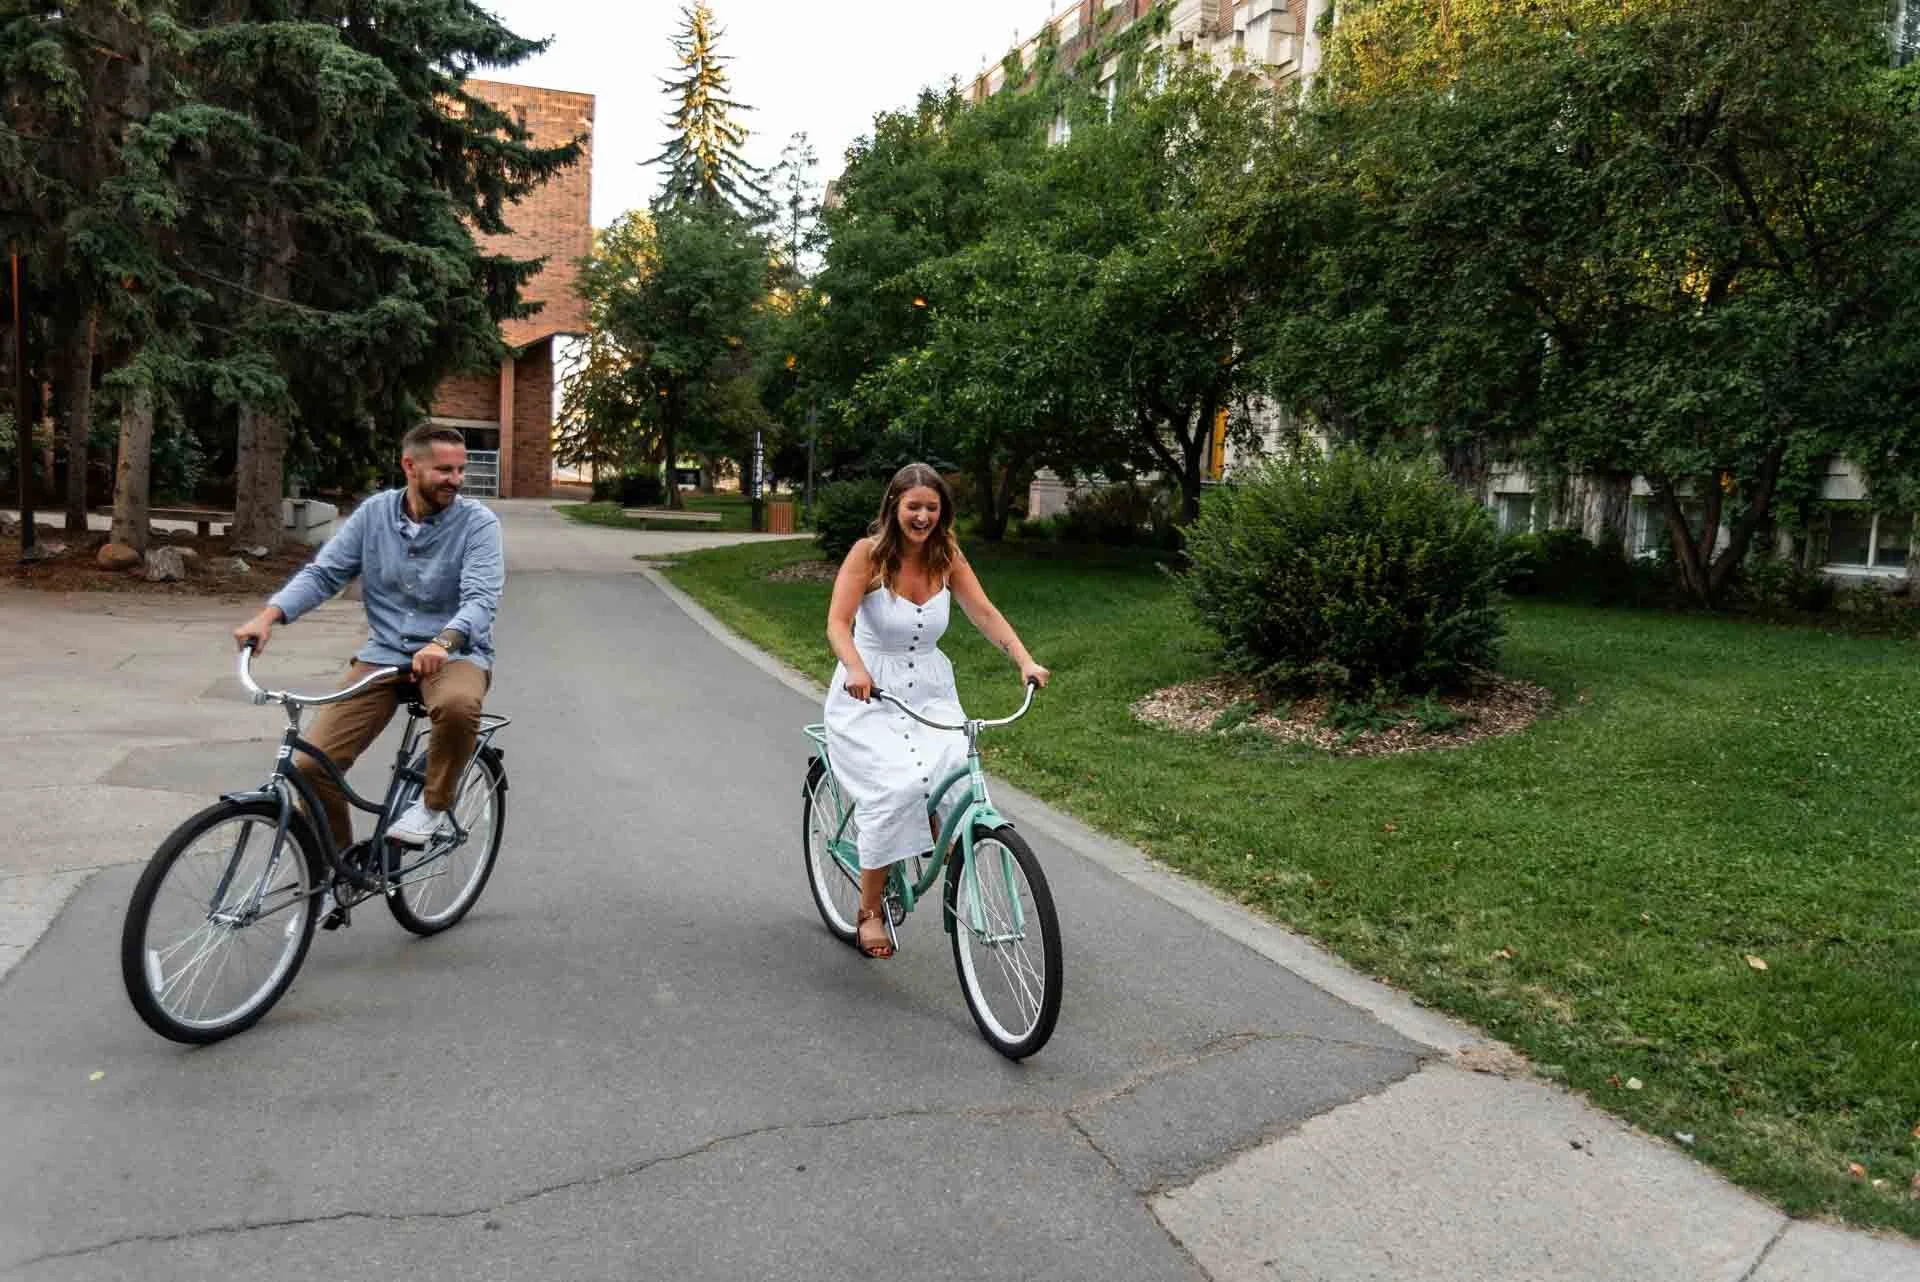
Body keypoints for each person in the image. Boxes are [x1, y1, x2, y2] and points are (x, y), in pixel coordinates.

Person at [232, 423, 505, 852]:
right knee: (308, 766)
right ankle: (335, 868)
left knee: (457, 706)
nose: (456, 480)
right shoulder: (374, 514)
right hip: (385, 653)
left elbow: (480, 600)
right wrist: (269, 617)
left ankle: (432, 806)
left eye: (460, 469)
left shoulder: (477, 523)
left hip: (455, 653)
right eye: (444, 470)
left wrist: (443, 642)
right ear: (409, 466)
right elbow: (325, 574)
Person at [824, 463, 1050, 959]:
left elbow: (984, 612)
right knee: (897, 785)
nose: (923, 516)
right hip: (870, 695)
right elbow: (838, 623)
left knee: (958, 772)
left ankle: (935, 833)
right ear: (894, 507)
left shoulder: (947, 556)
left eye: (932, 507)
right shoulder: (869, 555)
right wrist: (856, 669)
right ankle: (869, 910)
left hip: (930, 690)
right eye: (914, 507)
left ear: (942, 512)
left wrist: (1023, 658)